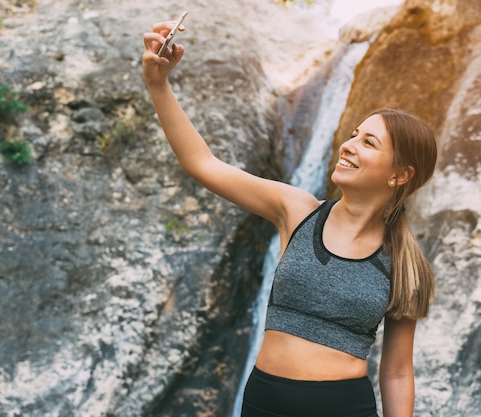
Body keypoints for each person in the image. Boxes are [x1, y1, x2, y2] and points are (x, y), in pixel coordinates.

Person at [142, 18, 437, 417]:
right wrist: (158, 85)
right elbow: (202, 163)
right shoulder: (297, 210)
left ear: (399, 174)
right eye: (353, 134)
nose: (348, 146)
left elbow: (398, 373)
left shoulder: (405, 263)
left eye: (368, 142)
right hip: (264, 404)